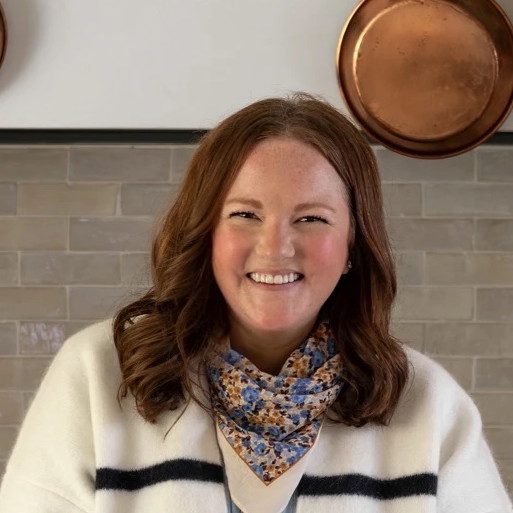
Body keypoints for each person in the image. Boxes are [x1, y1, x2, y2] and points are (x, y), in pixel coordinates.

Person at [0, 93, 511, 513]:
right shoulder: (95, 376)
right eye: (245, 214)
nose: (275, 247)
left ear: (355, 244)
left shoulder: (429, 408)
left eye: (312, 219)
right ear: (205, 232)